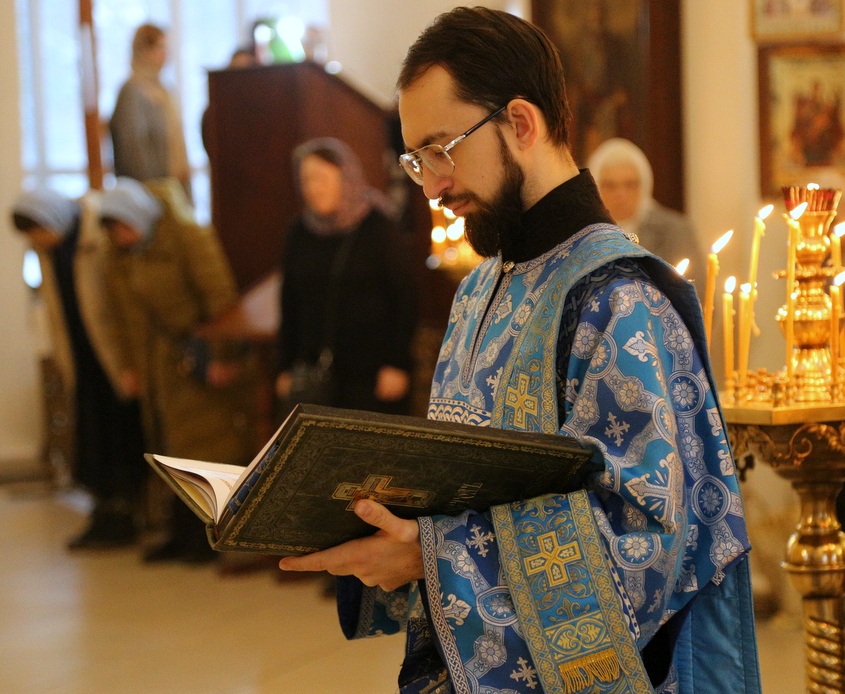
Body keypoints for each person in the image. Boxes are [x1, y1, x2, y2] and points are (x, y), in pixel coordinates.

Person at [279, 8, 760, 694]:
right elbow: (459, 483)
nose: (432, 187)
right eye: (416, 160)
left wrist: (429, 559)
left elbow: (647, 542)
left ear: (522, 124)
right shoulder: (479, 290)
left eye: (441, 150)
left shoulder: (619, 299)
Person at [99, 177, 253, 563]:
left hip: (195, 360)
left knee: (206, 446)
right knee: (166, 449)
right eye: (113, 229)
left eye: (124, 226)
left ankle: (213, 535)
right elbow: (120, 317)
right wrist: (129, 367)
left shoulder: (187, 237)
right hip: (156, 367)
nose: (121, 236)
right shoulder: (119, 257)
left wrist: (221, 355)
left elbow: (220, 296)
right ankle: (181, 532)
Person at [11, 188, 145, 548]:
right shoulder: (48, 252)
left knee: (121, 436)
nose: (38, 240)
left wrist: (129, 363)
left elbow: (118, 303)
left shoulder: (97, 235)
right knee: (92, 438)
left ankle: (126, 517)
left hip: (111, 355)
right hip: (81, 356)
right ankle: (103, 513)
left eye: (39, 231)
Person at [275, 138, 417, 417]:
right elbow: (289, 304)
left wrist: (397, 364)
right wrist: (284, 366)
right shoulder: (299, 232)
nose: (312, 188)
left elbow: (405, 300)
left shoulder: (379, 228)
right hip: (315, 374)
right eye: (306, 180)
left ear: (346, 178)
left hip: (373, 375)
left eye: (321, 178)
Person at [588, 137, 705, 286]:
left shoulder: (675, 230)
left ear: (644, 185)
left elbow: (697, 289)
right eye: (610, 185)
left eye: (630, 185)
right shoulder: (583, 233)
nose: (621, 194)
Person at [109, 24, 191, 197]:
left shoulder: (164, 90)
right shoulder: (132, 91)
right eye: (160, 48)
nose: (165, 55)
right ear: (144, 50)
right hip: (149, 193)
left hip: (172, 187)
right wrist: (154, 191)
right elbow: (133, 150)